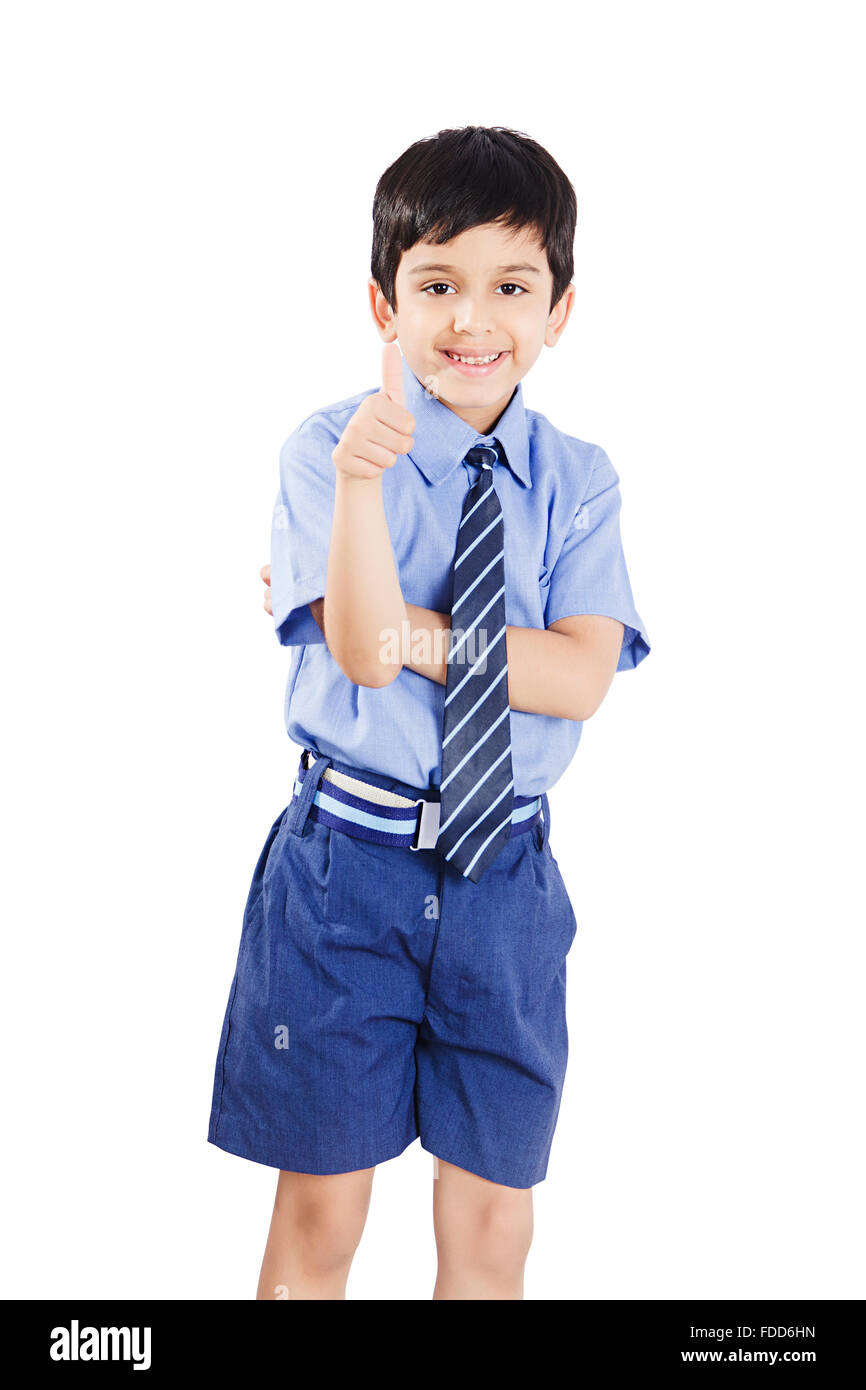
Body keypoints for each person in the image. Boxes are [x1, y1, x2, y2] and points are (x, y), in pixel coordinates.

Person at [208, 124, 651, 1300]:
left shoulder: (578, 480)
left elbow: (580, 678)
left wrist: (414, 633)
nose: (472, 320)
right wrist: (362, 495)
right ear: (381, 301)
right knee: (321, 1207)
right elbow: (358, 652)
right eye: (436, 284)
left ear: (560, 308)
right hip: (342, 875)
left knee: (496, 1219)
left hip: (504, 878)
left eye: (511, 286)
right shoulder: (330, 452)